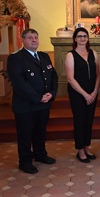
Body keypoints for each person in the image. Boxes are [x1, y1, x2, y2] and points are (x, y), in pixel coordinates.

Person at [7, 29, 58, 174]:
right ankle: (25, 162)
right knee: (25, 134)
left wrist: (51, 94)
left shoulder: (44, 56)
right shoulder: (16, 58)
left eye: (36, 37)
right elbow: (19, 82)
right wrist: (38, 97)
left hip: (44, 103)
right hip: (26, 105)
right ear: (23, 40)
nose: (34, 40)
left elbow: (53, 76)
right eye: (30, 38)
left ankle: (40, 155)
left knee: (40, 131)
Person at [65, 27, 100, 163]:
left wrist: (95, 91)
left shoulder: (93, 54)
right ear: (75, 39)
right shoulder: (71, 55)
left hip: (92, 93)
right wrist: (85, 95)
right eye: (79, 36)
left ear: (88, 38)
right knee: (80, 120)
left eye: (84, 36)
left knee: (89, 120)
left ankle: (86, 147)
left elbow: (98, 74)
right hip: (77, 94)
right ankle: (80, 150)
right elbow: (70, 78)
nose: (82, 38)